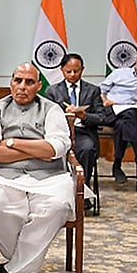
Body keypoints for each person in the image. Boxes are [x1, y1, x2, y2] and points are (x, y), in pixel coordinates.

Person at [0, 63, 75, 273]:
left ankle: (11, 269)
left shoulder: (52, 109)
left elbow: (56, 148)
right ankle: (23, 269)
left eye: (29, 82)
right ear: (11, 83)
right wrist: (37, 148)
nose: (22, 87)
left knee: (57, 207)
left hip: (49, 178)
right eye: (18, 80)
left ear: (39, 86)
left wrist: (12, 143)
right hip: (6, 177)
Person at [44, 53, 103, 195]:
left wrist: (84, 116)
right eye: (68, 71)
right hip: (60, 133)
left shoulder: (93, 90)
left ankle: (82, 191)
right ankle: (59, 191)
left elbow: (101, 117)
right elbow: (46, 118)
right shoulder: (52, 91)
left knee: (87, 149)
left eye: (76, 71)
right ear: (62, 70)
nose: (72, 75)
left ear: (82, 70)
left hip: (83, 132)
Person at [99, 49, 137, 182]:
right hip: (110, 110)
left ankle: (117, 166)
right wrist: (105, 101)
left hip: (128, 115)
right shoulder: (120, 73)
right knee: (130, 115)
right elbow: (101, 90)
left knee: (123, 124)